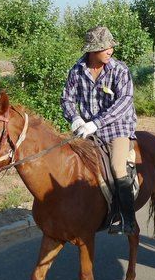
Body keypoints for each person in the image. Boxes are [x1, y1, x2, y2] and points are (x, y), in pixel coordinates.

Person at [60, 26, 139, 234]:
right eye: (105, 48)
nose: (110, 50)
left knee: (117, 168)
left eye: (111, 47)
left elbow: (125, 102)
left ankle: (127, 219)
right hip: (86, 130)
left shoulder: (120, 70)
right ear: (92, 50)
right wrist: (75, 118)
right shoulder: (77, 70)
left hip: (117, 127)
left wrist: (97, 123)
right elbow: (67, 98)